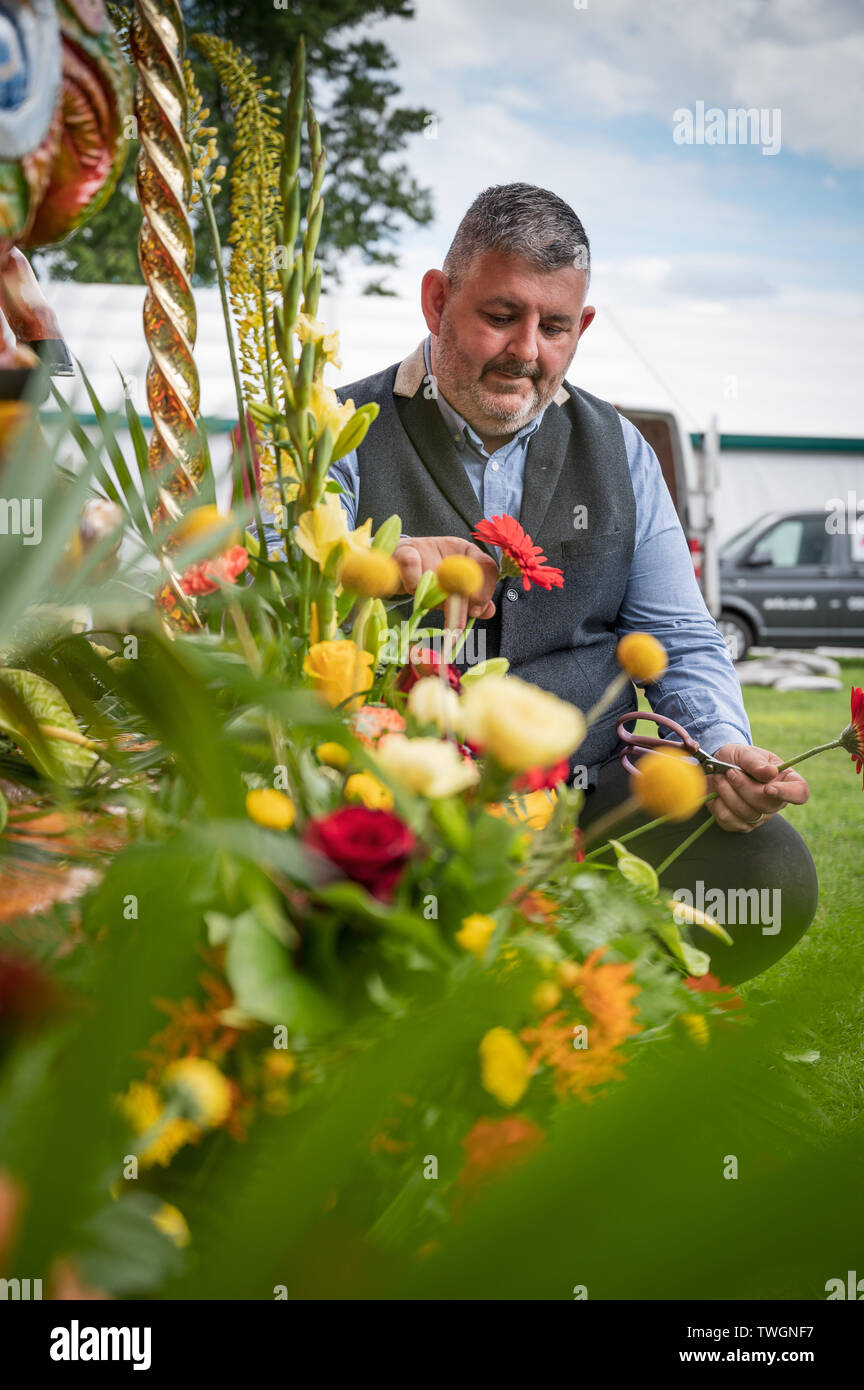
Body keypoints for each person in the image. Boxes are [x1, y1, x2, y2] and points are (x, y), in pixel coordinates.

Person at [329, 182, 817, 983]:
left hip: (593, 794)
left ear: (581, 327)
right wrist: (379, 566)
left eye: (555, 326)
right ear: (436, 298)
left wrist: (724, 749)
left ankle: (586, 1020)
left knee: (769, 875)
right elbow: (281, 600)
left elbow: (682, 636)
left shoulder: (620, 447)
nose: (528, 351)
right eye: (500, 315)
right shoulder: (337, 426)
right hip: (403, 794)